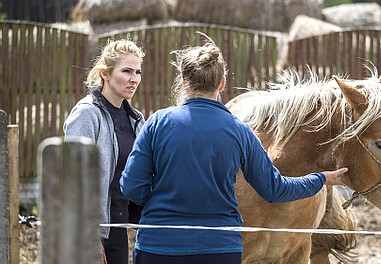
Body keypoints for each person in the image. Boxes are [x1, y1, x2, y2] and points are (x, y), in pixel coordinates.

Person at [120, 35, 347, 264]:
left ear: (183, 80)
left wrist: (161, 202)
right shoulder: (240, 131)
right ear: (222, 83)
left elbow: (131, 185)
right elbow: (275, 189)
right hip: (219, 250)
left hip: (159, 246)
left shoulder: (157, 123)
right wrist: (320, 179)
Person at [63, 39, 146, 264]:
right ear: (105, 74)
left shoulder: (136, 119)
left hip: (116, 227)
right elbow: (74, 179)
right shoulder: (86, 115)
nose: (134, 79)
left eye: (137, 72)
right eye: (126, 71)